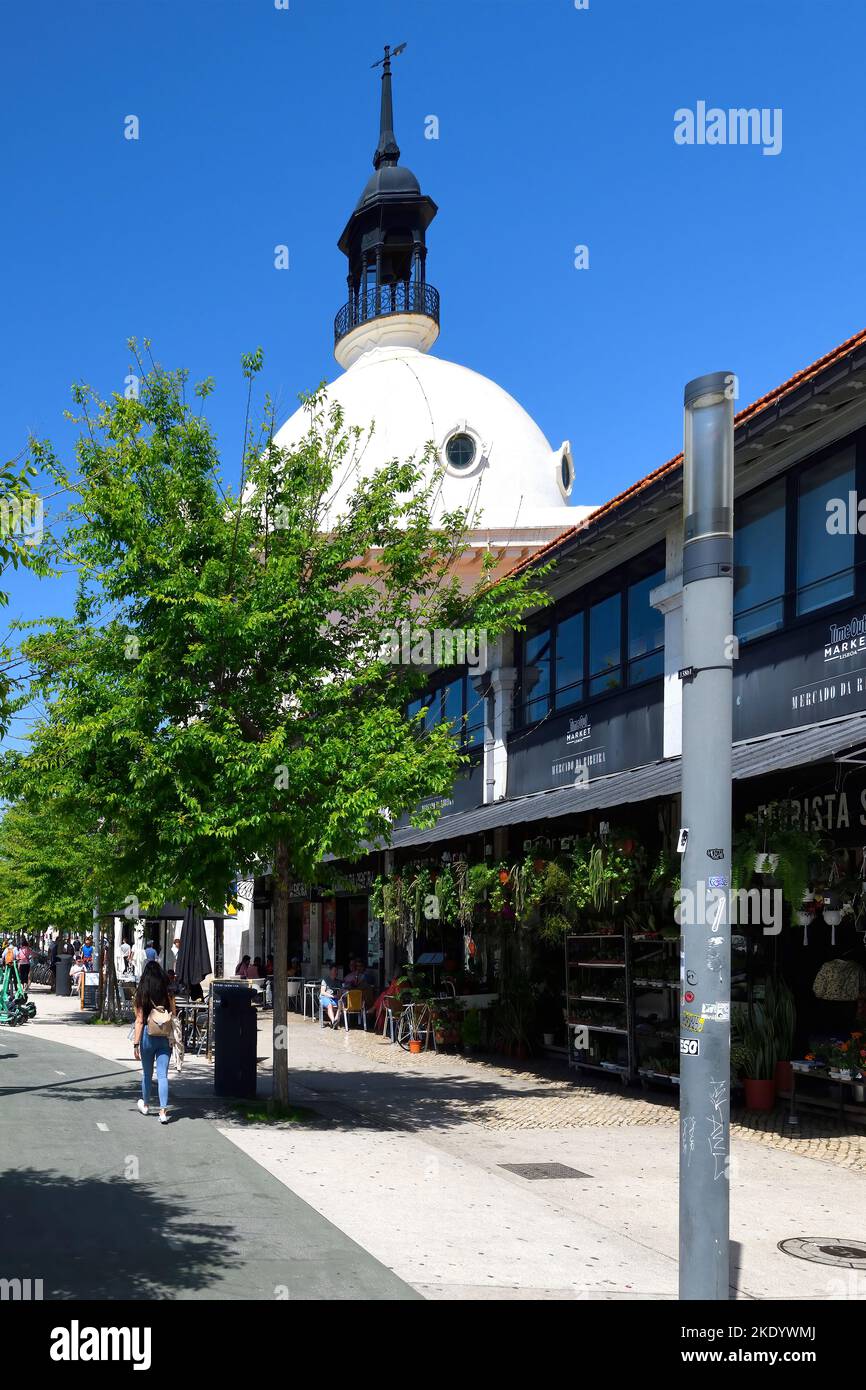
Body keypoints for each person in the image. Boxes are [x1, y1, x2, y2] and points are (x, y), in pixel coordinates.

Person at [133, 961, 176, 1124]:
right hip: (164, 1035)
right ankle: (163, 1111)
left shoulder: (142, 992)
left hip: (147, 1036)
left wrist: (136, 1043)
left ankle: (145, 1104)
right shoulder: (167, 991)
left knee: (146, 1073)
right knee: (163, 1075)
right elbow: (173, 1013)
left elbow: (139, 1020)